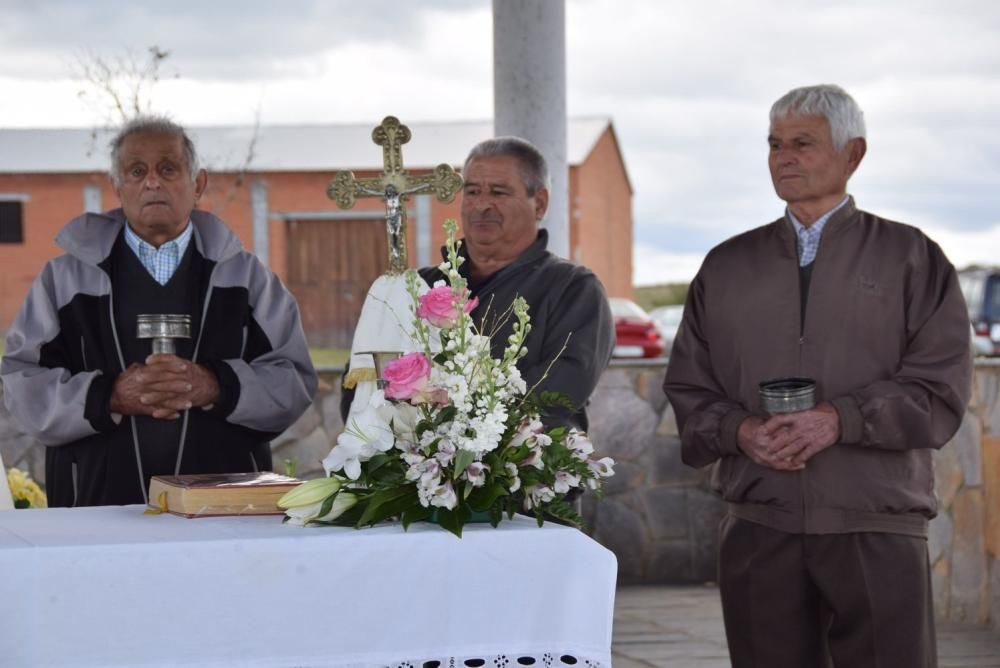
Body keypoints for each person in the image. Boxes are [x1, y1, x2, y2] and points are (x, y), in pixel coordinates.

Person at [664, 84, 972, 667]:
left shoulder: (912, 257)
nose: (783, 157)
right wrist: (740, 432)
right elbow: (688, 388)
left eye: (803, 143)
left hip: (876, 521)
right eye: (775, 144)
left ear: (853, 154)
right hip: (759, 524)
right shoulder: (726, 267)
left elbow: (941, 388)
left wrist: (840, 419)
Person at [1, 116, 318, 508]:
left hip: (227, 510)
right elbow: (21, 382)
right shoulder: (64, 280)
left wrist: (215, 385)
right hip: (94, 507)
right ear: (118, 186)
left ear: (198, 183)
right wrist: (110, 396)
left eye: (168, 168)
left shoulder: (247, 279)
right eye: (137, 171)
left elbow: (294, 380)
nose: (153, 182)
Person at [418, 136, 615, 430]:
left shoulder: (574, 289)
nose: (481, 205)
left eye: (498, 192)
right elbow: (369, 382)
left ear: (540, 204)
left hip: (529, 469)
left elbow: (560, 391)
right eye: (472, 191)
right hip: (419, 469)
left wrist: (455, 425)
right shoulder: (423, 285)